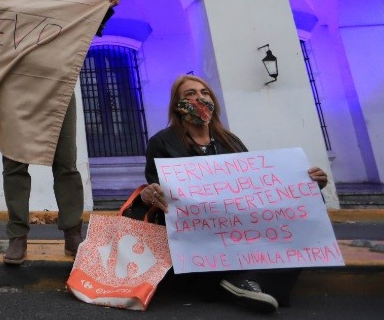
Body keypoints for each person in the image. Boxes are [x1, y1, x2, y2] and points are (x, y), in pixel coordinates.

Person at [141, 74, 329, 313]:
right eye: (190, 94)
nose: (199, 97)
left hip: (235, 222)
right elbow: (155, 185)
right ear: (178, 106)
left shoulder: (229, 141)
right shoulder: (162, 142)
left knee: (311, 203)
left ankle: (246, 283)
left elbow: (254, 184)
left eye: (204, 92)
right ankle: (242, 283)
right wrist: (150, 192)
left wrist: (307, 187)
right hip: (199, 231)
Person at [0, 0, 120, 266]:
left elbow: (86, 29)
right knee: (15, 165)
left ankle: (72, 233)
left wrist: (104, 9)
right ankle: (17, 236)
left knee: (66, 163)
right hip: (15, 92)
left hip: (58, 90)